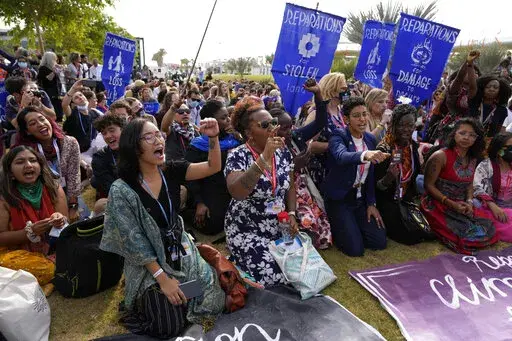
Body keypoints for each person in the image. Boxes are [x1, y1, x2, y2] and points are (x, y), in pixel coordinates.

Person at [100, 118, 225, 339]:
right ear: (133, 146)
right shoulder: (122, 189)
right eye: (149, 137)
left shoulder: (170, 169)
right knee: (168, 324)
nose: (158, 140)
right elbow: (134, 240)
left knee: (209, 296)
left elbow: (213, 166)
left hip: (179, 248)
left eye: (159, 134)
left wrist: (213, 137)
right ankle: (150, 300)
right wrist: (163, 279)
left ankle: (180, 297)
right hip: (149, 262)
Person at [224, 96, 297, 286]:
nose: (274, 128)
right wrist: (264, 158)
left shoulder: (283, 152)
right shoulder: (238, 155)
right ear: (249, 133)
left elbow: (290, 185)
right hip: (246, 228)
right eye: (265, 125)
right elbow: (237, 192)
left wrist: (291, 213)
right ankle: (238, 262)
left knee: (298, 268)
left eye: (274, 122)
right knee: (275, 276)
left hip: (277, 225)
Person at [421, 118, 498, 254]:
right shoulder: (440, 156)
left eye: (471, 135)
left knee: (488, 229)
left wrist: (469, 201)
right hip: (438, 203)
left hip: (460, 204)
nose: (466, 138)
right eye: (462, 133)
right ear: (454, 134)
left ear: (476, 139)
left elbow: (469, 184)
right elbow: (429, 185)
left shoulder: (473, 158)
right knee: (463, 236)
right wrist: (450, 203)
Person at [323, 97, 388, 257]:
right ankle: (342, 226)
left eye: (365, 114)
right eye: (356, 115)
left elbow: (370, 175)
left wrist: (371, 203)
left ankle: (352, 226)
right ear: (346, 119)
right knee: (355, 250)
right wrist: (365, 154)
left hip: (360, 200)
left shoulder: (370, 139)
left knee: (379, 242)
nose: (362, 119)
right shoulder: (338, 136)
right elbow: (341, 156)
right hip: (340, 199)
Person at [0, 146, 68, 290]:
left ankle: (45, 275)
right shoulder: (3, 198)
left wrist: (59, 219)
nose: (29, 165)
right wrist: (30, 232)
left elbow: (66, 222)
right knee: (7, 263)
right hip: (15, 252)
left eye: (33, 160)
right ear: (10, 173)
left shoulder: (53, 186)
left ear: (40, 166)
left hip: (53, 247)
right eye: (20, 162)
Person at [13, 106, 82, 221]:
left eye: (42, 119)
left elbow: (74, 175)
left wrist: (73, 206)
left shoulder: (70, 142)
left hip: (70, 194)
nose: (40, 124)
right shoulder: (27, 152)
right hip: (43, 197)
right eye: (33, 123)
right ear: (27, 131)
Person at [186, 100, 240, 235]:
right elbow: (191, 179)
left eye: (228, 116)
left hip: (231, 186)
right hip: (209, 188)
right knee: (213, 225)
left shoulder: (234, 140)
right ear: (210, 122)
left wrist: (239, 136)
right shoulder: (197, 145)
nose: (228, 120)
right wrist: (199, 202)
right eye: (223, 118)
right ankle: (183, 213)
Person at [375, 104, 425, 245]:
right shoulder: (384, 149)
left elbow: (412, 178)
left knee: (424, 231)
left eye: (410, 125)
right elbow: (376, 187)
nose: (406, 129)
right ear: (393, 124)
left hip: (405, 200)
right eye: (402, 125)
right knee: (410, 237)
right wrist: (388, 178)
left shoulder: (412, 147)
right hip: (386, 201)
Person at [303, 72, 348, 188]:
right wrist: (335, 145)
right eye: (343, 88)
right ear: (332, 89)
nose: (347, 91)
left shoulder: (341, 112)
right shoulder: (317, 114)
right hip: (321, 172)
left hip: (339, 171)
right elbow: (307, 146)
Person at [473, 132, 512, 242]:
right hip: (489, 207)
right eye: (510, 147)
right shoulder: (486, 166)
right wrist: (493, 206)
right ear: (499, 150)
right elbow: (477, 188)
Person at [91, 115, 125, 199]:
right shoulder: (99, 158)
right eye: (104, 133)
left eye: (111, 130)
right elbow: (111, 190)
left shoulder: (137, 149)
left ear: (123, 129)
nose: (108, 136)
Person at [62, 80, 100, 153]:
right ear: (73, 104)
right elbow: (64, 104)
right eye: (76, 98)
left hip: (93, 150)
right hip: (77, 153)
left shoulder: (94, 113)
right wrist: (73, 88)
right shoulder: (73, 114)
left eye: (81, 95)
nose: (80, 97)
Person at [37, 51, 64, 122]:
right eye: (54, 59)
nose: (56, 60)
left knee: (59, 111)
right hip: (49, 91)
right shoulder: (43, 68)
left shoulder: (53, 67)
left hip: (56, 91)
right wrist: (54, 72)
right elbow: (48, 79)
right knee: (53, 109)